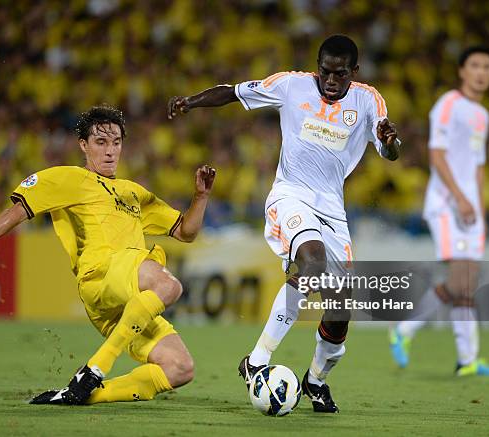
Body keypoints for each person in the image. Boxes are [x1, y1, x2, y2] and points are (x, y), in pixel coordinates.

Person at [168, 34, 399, 412]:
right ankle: (256, 360)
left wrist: (391, 144)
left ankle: (316, 381)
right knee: (312, 262)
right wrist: (190, 102)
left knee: (340, 308)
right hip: (289, 195)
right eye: (324, 71)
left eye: (339, 74)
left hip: (332, 212)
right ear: (317, 67)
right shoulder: (291, 85)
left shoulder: (368, 99)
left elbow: (387, 146)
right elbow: (234, 91)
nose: (330, 80)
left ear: (353, 73)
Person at [0, 105, 217, 404]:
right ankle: (97, 366)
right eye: (101, 143)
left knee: (180, 368)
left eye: (116, 142)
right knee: (169, 285)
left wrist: (200, 197)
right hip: (102, 274)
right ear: (83, 146)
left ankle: (82, 394)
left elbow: (185, 232)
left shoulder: (132, 192)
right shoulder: (68, 179)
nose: (110, 151)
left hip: (123, 302)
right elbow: (19, 210)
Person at [389, 46, 489, 376]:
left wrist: (479, 209)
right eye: (476, 65)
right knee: (459, 280)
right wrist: (460, 198)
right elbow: (437, 156)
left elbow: (479, 167)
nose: (482, 72)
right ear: (462, 71)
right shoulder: (448, 104)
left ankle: (467, 361)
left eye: (488, 66)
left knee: (466, 283)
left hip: (470, 209)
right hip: (445, 204)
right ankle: (405, 330)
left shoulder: (482, 115)